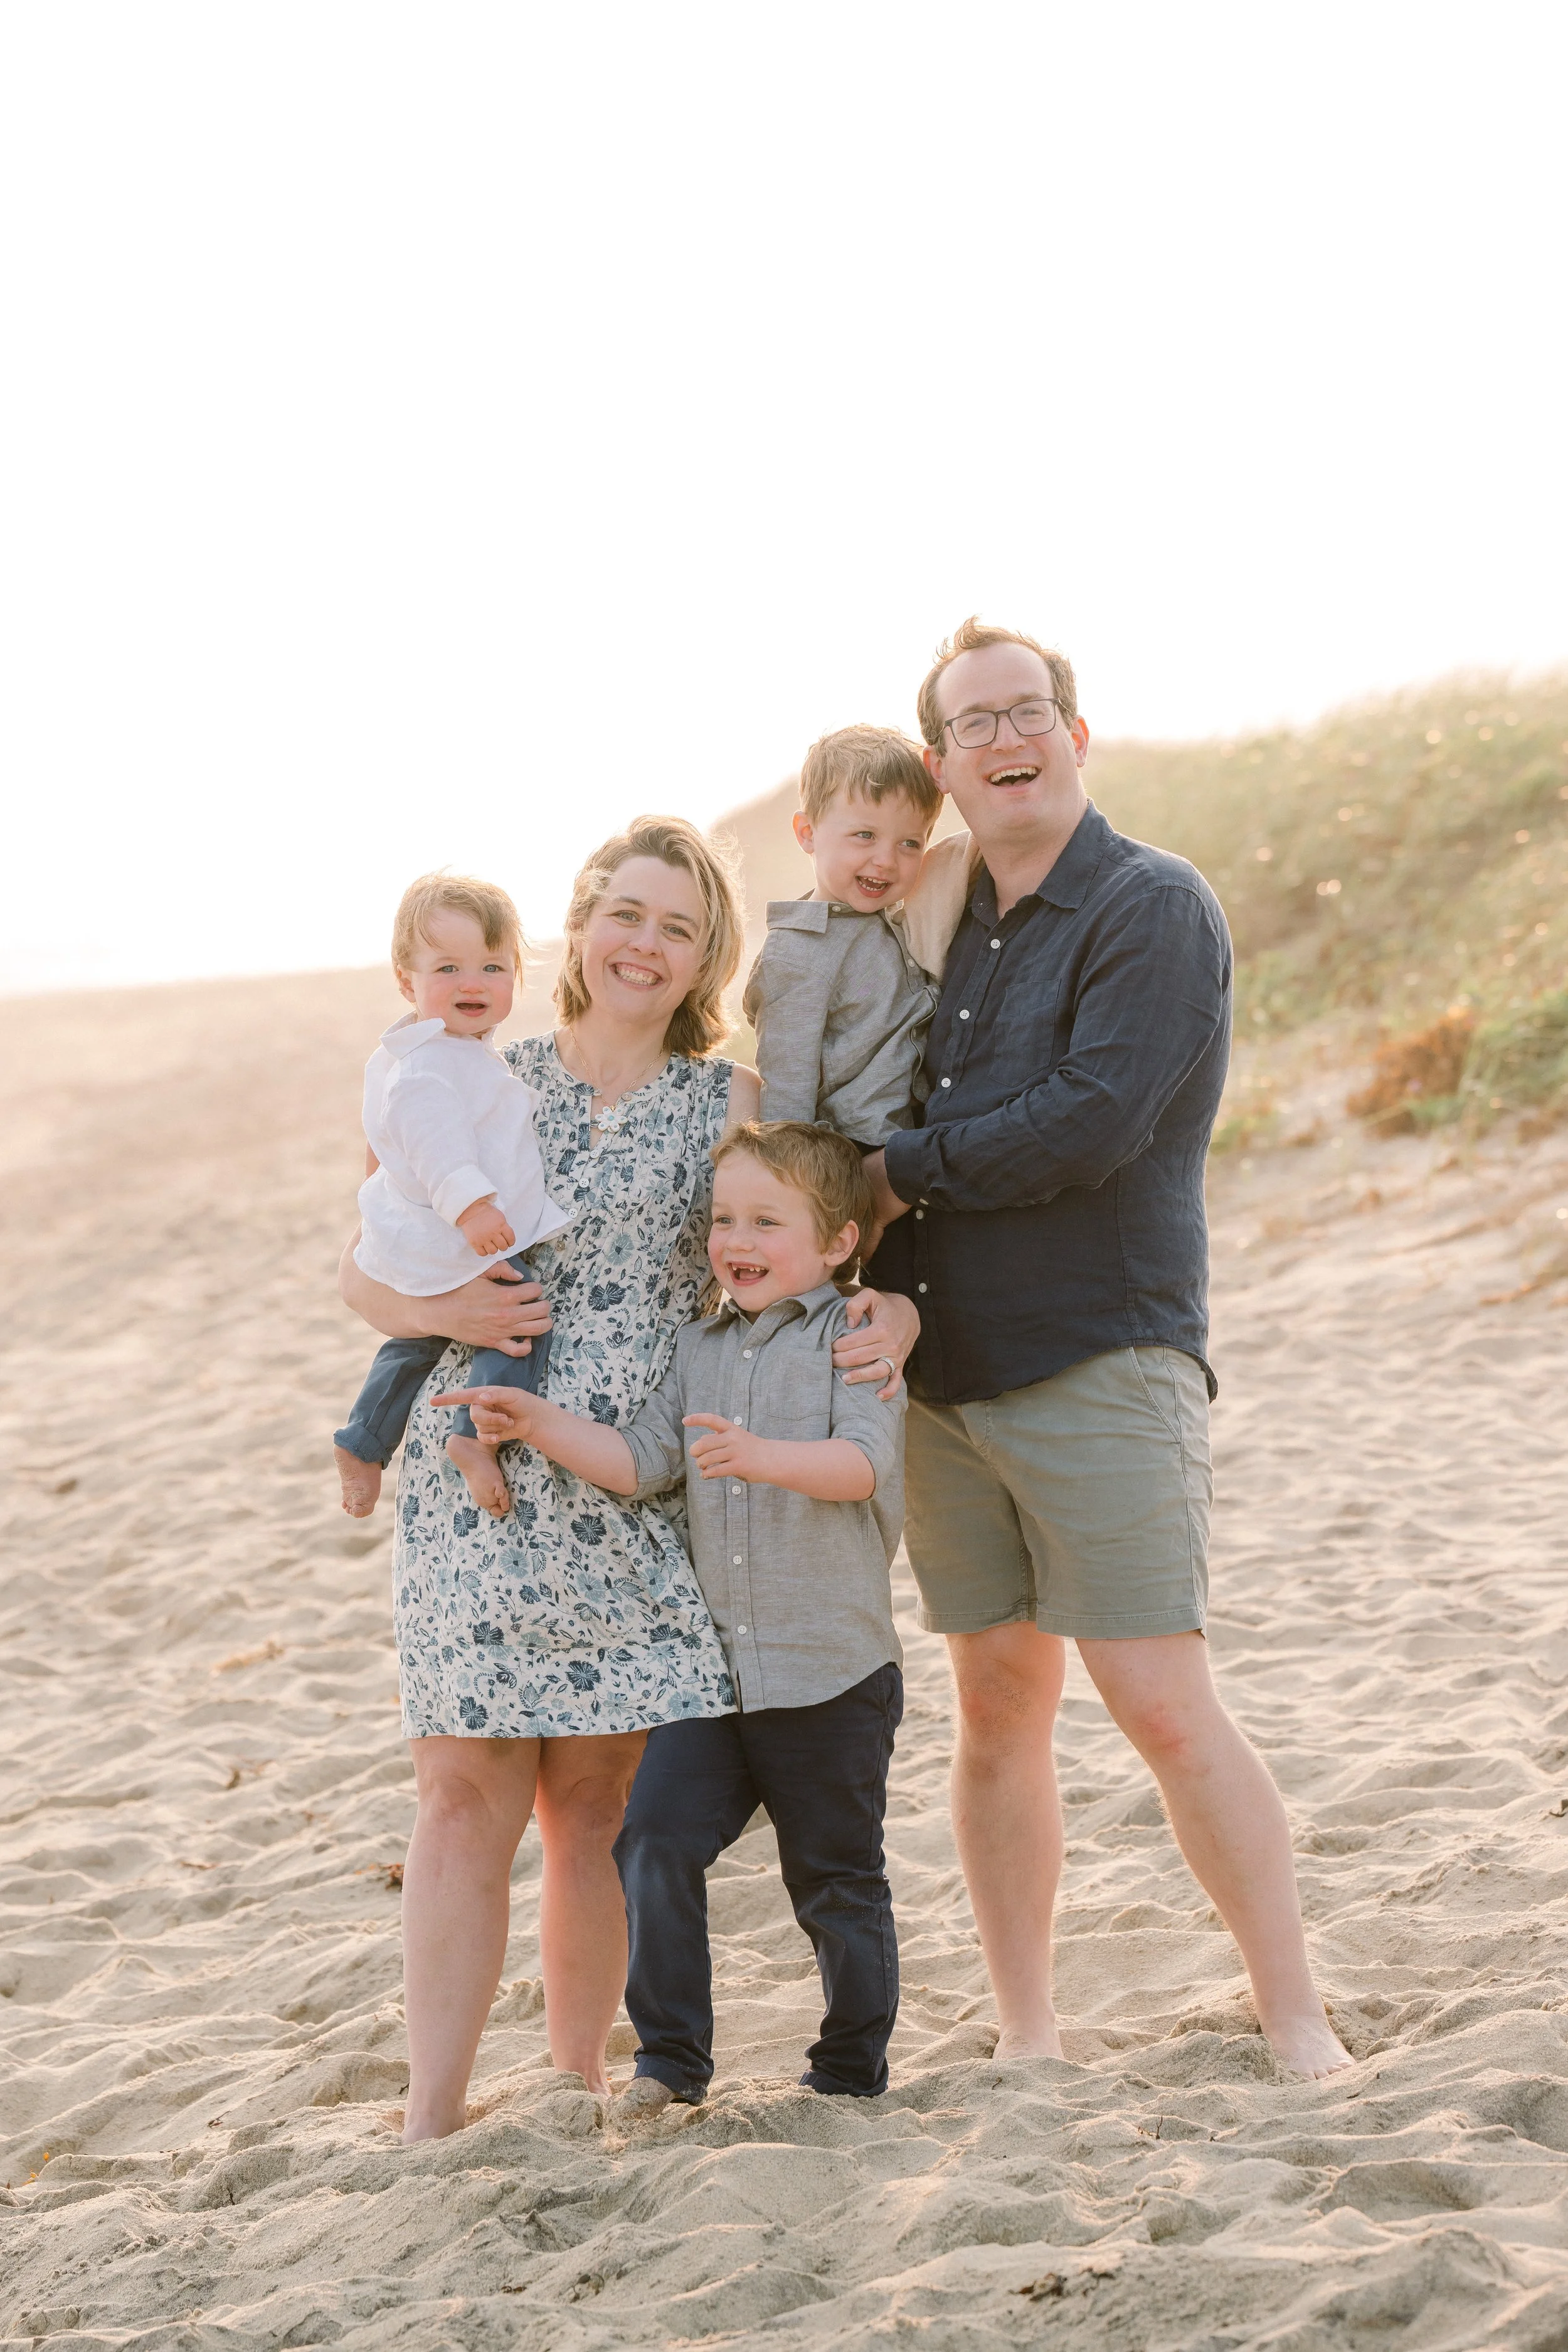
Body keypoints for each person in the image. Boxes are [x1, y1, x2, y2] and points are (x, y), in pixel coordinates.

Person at [337, 817, 920, 2139]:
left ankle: (573, 2085)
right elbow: (363, 1266)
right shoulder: (481, 1073)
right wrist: (458, 1322)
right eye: (626, 914)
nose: (645, 945)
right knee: (457, 1795)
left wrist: (903, 1318)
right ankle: (431, 2115)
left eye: (678, 926)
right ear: (581, 926)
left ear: (704, 954)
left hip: (633, 1480)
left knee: (591, 1803)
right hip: (475, 1456)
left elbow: (810, 1243)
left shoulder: (728, 1100)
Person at [861, 617, 1352, 2079]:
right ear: (947, 766)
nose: (1006, 736)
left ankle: (1298, 2015)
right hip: (941, 1379)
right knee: (995, 1711)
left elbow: (1095, 1117)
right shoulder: (934, 925)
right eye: (974, 723)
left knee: (1161, 1702)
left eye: (1030, 710)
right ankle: (1027, 2030)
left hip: (1102, 1355)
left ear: (1077, 735)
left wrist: (891, 1172)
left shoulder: (1150, 902)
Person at [437, 1120, 908, 2117]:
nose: (735, 1236)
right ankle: (669, 2060)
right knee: (651, 1836)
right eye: (723, 1218)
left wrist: (763, 1455)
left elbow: (864, 1465)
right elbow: (643, 1458)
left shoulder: (854, 1341)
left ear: (836, 1243)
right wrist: (541, 1425)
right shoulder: (697, 1345)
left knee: (835, 1879)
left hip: (830, 1672)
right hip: (714, 1675)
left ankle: (848, 2069)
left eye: (766, 1220)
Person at [333, 872, 571, 1523]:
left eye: (493, 967)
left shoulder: (445, 1050)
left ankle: (364, 1437)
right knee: (518, 1325)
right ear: (406, 979)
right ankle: (473, 1439)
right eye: (448, 967)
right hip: (460, 1232)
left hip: (431, 1239)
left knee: (414, 1347)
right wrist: (471, 1207)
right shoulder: (430, 1066)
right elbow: (437, 1145)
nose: (473, 983)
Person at [742, 724, 941, 1143]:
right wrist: (792, 1179)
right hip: (849, 1151)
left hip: (914, 1139)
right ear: (807, 833)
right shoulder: (797, 951)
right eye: (864, 835)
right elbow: (787, 1092)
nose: (886, 860)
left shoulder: (897, 918)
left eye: (910, 843)